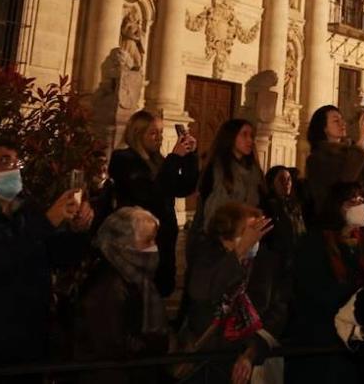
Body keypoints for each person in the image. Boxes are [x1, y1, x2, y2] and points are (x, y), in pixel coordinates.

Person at [0, 137, 94, 369]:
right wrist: (45, 223)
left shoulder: (26, 212)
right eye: (4, 163)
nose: (14, 170)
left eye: (15, 163)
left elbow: (58, 258)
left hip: (28, 339)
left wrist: (78, 231)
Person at [284, 181, 364, 384]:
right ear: (337, 206)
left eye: (362, 201)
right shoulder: (316, 242)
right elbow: (313, 289)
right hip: (320, 340)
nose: (359, 206)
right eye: (352, 202)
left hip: (351, 339)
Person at [181, 202, 279, 384]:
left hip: (248, 354)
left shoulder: (264, 260)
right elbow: (201, 292)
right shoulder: (208, 256)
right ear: (226, 237)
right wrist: (239, 252)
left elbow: (275, 309)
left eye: (257, 232)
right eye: (249, 232)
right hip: (210, 358)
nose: (254, 239)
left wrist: (252, 351)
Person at [73, 207, 169, 384]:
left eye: (154, 239)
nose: (154, 247)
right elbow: (109, 345)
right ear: (124, 244)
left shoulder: (132, 275)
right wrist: (150, 345)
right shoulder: (108, 285)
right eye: (148, 240)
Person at [111, 111, 199, 296]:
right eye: (153, 133)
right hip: (139, 238)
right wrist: (174, 159)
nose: (159, 138)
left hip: (165, 236)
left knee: (162, 289)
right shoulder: (124, 159)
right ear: (137, 134)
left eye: (160, 133)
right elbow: (149, 194)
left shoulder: (159, 161)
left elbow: (183, 188)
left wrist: (190, 157)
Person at [303, 104, 364, 220]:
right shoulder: (317, 158)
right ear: (324, 128)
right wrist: (361, 141)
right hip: (333, 222)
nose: (343, 123)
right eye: (336, 121)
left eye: (342, 119)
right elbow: (346, 179)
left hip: (358, 219)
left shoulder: (351, 151)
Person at [198, 119, 263, 228]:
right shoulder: (216, 168)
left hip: (249, 232)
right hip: (222, 231)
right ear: (231, 137)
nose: (250, 140)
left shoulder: (254, 171)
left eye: (251, 136)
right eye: (244, 135)